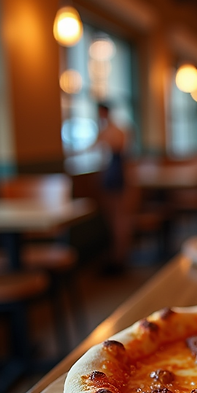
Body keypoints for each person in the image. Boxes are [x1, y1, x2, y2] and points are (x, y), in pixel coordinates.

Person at [92, 102, 131, 275]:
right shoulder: (117, 129)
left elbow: (96, 146)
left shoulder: (110, 130)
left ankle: (118, 257)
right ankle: (118, 256)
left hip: (113, 172)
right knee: (116, 216)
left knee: (116, 217)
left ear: (103, 112)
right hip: (115, 171)